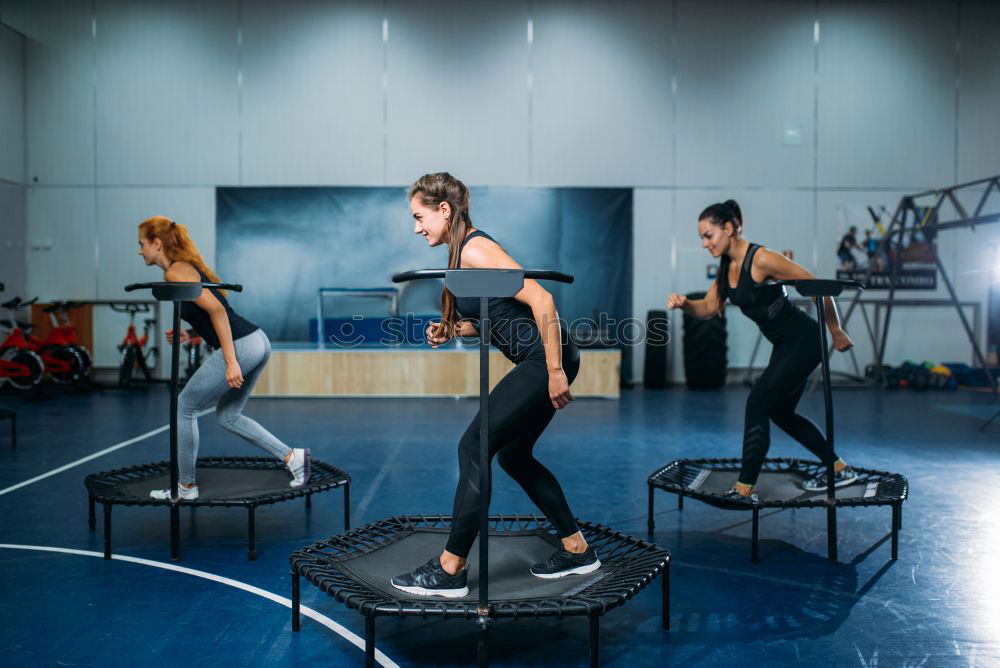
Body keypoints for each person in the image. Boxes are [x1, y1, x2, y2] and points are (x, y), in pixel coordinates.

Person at [390, 172, 598, 598]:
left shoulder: (477, 249)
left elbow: (542, 300)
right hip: (539, 358)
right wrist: (455, 330)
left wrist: (555, 371)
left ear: (443, 210)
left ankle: (450, 569)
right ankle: (576, 549)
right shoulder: (458, 254)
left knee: (473, 446)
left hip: (546, 357)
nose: (416, 227)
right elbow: (495, 318)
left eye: (419, 216)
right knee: (514, 458)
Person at [667, 200, 858, 502]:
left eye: (708, 235)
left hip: (805, 341)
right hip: (786, 346)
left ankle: (744, 489)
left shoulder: (762, 259)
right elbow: (707, 307)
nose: (704, 243)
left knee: (758, 402)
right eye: (701, 237)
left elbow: (817, 286)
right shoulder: (726, 267)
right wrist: (684, 304)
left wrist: (835, 330)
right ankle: (839, 468)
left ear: (728, 228)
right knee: (780, 412)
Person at [137, 216, 309, 499]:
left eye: (142, 244)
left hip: (242, 346)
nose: (140, 250)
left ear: (157, 243)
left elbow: (217, 311)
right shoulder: (185, 268)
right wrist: (191, 335)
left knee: (185, 406)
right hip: (256, 341)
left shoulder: (176, 273)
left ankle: (186, 487)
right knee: (228, 416)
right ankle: (293, 458)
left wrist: (230, 361)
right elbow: (213, 314)